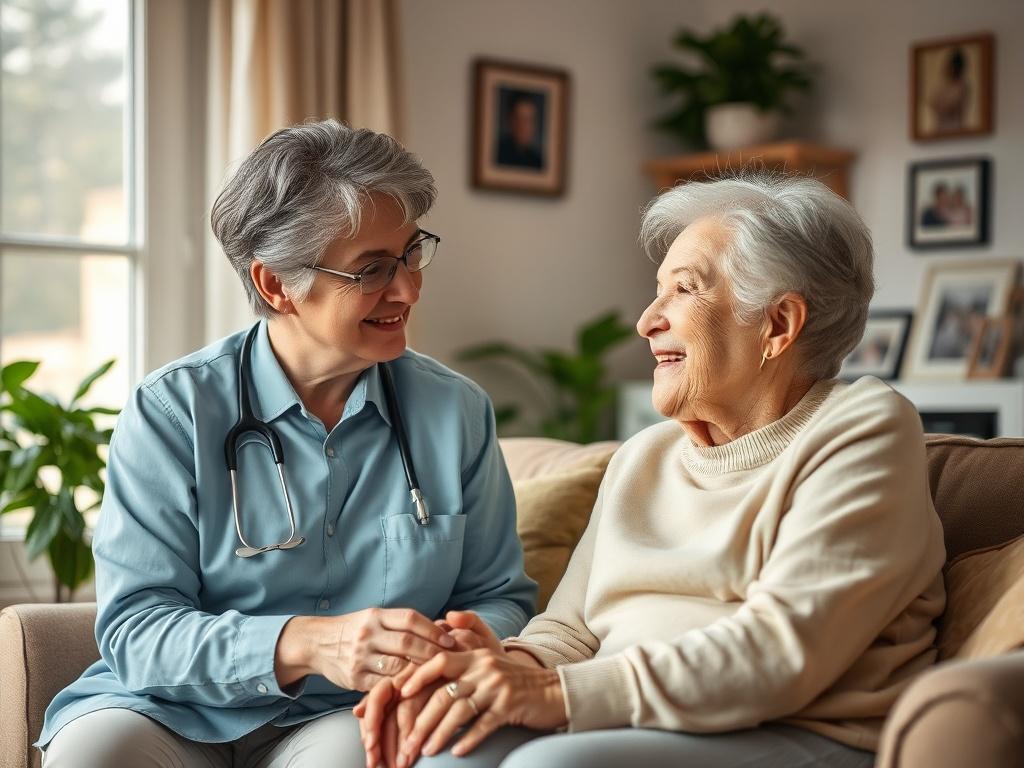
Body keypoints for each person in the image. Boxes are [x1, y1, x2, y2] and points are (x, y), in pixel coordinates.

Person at [358, 173, 947, 768]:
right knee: (445, 748)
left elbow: (782, 652)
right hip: (631, 719)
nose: (646, 321)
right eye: (656, 291)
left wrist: (556, 693)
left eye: (684, 291)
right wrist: (503, 666)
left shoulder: (863, 428)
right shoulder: (645, 457)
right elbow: (568, 632)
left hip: (801, 726)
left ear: (778, 325)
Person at [37, 120, 536, 767]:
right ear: (275, 284)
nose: (408, 288)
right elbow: (138, 631)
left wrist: (461, 641)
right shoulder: (173, 411)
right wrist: (306, 643)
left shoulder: (455, 412)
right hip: (171, 706)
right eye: (372, 269)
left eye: (412, 253)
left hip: (346, 711)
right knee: (96, 755)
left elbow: (500, 595)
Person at [495, 92, 544, 169]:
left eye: (528, 120)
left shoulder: (537, 160)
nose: (523, 126)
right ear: (510, 120)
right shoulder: (497, 152)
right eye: (519, 119)